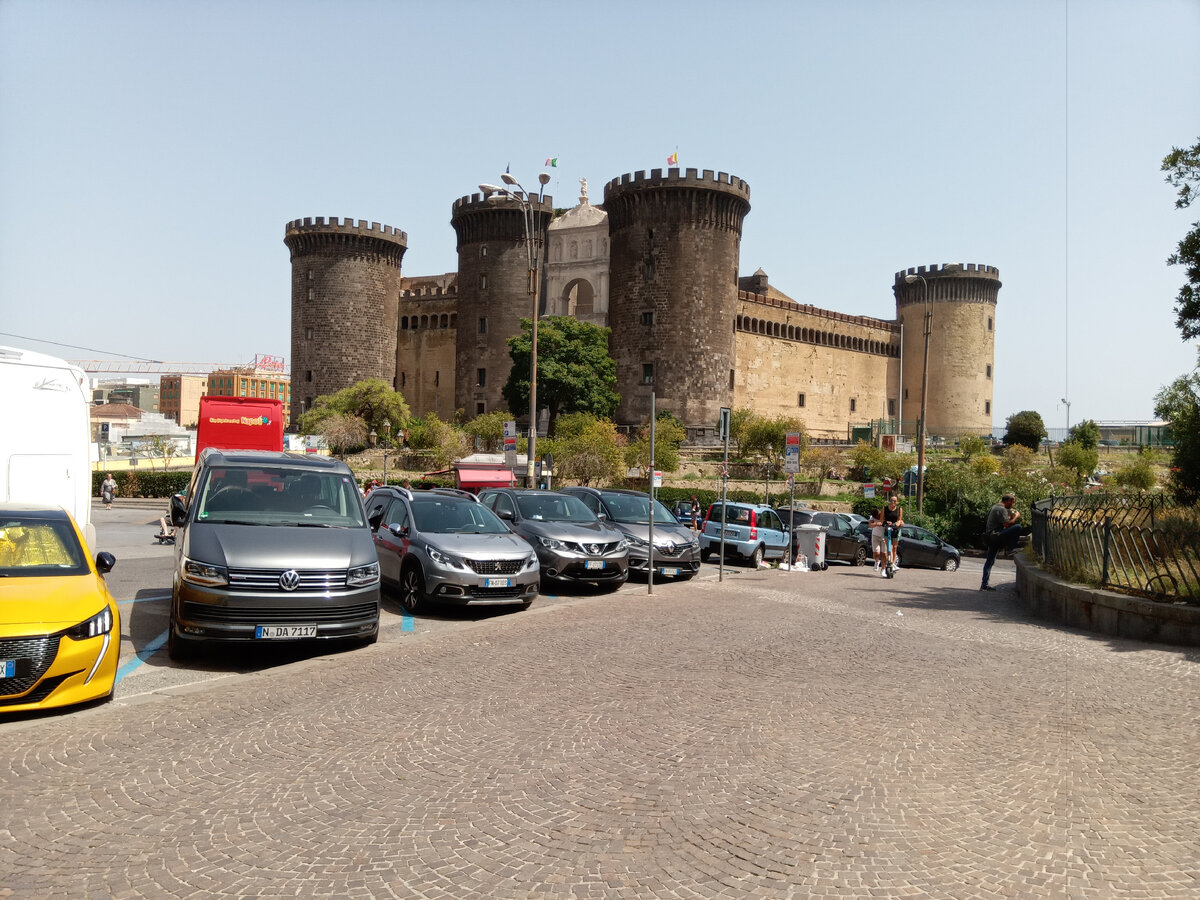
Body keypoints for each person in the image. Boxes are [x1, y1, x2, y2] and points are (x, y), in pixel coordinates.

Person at [980, 491, 1026, 591]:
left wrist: (1009, 517)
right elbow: (1007, 525)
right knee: (1018, 527)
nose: (1013, 505)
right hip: (997, 535)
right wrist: (1016, 516)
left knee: (990, 561)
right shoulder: (1002, 509)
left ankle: (984, 584)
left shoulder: (994, 507)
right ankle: (1010, 548)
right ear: (1008, 501)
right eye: (1012, 502)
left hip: (991, 537)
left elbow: (1002, 521)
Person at [882, 493, 904, 569]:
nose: (892, 502)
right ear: (889, 501)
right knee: (890, 547)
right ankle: (890, 562)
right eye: (891, 500)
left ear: (897, 502)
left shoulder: (899, 509)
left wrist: (898, 523)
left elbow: (899, 519)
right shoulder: (885, 509)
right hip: (887, 528)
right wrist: (886, 522)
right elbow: (882, 519)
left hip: (895, 529)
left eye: (894, 501)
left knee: (894, 547)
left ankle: (893, 563)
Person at [869, 506, 887, 575]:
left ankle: (883, 569)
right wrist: (876, 523)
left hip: (884, 537)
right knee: (876, 553)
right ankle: (877, 562)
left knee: (884, 554)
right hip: (875, 536)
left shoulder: (884, 516)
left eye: (878, 516)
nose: (877, 517)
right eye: (876, 517)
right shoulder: (872, 517)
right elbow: (870, 525)